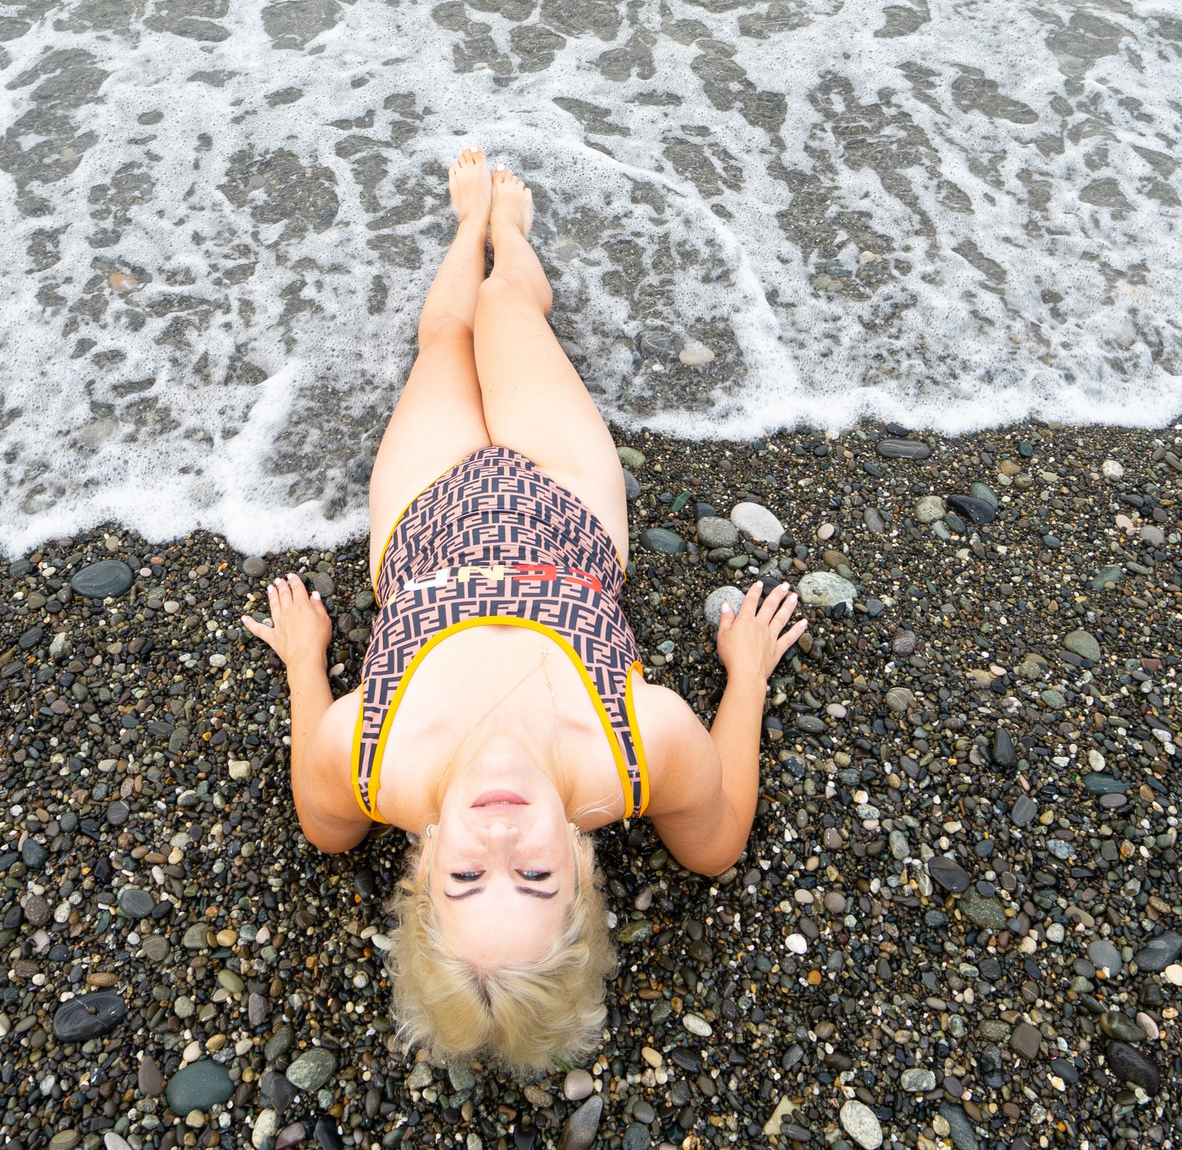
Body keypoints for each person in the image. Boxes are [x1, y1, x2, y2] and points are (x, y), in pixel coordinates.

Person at [241, 147, 807, 1073]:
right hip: (565, 500)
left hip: (424, 524)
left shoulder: (370, 764)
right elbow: (718, 836)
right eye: (535, 876)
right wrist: (743, 676)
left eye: (468, 877)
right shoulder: (634, 746)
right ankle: (510, 233)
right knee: (507, 308)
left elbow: (319, 818)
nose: (499, 839)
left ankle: (469, 225)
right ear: (581, 875)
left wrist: (307, 663)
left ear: (424, 871)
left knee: (443, 340)